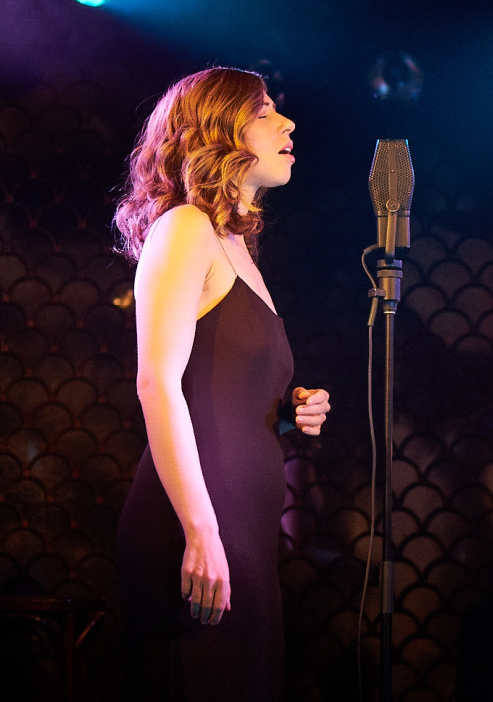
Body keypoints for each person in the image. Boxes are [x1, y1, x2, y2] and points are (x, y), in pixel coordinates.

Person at [112, 67, 331, 701]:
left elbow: (225, 386)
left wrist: (292, 409)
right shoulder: (184, 228)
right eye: (264, 113)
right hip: (197, 516)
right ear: (216, 130)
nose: (287, 124)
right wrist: (200, 531)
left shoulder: (234, 244)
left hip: (242, 517)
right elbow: (157, 382)